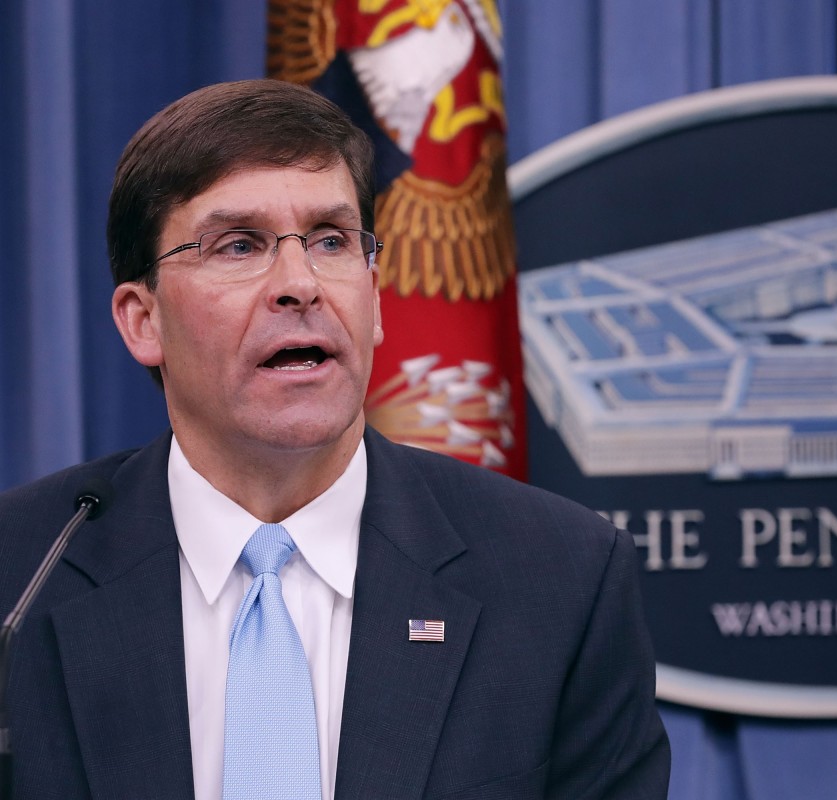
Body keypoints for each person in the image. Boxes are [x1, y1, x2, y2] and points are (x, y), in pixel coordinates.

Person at [0, 80, 669, 799]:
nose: (301, 284)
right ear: (143, 320)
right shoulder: (21, 574)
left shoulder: (560, 579)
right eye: (239, 245)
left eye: (330, 240)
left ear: (374, 297)